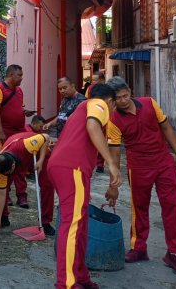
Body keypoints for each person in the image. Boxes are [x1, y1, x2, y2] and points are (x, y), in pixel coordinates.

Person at [105, 77, 176, 277]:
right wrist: (114, 184)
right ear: (113, 100)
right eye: (118, 98)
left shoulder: (149, 103)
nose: (124, 100)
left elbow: (166, 128)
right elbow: (115, 153)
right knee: (139, 208)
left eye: (126, 95)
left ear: (130, 92)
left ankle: (175, 253)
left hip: (163, 162)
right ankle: (139, 248)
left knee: (171, 207)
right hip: (138, 166)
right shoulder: (113, 121)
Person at [48, 83, 122, 289]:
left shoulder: (83, 108)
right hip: (72, 168)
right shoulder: (98, 104)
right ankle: (67, 283)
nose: (113, 111)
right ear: (110, 101)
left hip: (67, 168)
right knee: (72, 226)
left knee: (80, 225)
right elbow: (92, 126)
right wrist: (111, 165)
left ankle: (80, 276)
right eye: (115, 106)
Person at [0, 131, 55, 235]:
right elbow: (1, 194)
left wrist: (41, 161)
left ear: (13, 166)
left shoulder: (26, 145)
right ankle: (2, 217)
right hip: (18, 155)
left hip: (39, 152)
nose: (7, 176)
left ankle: (45, 222)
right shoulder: (0, 166)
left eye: (8, 173)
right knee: (0, 188)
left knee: (48, 185)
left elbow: (45, 137)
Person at [0, 64, 29, 207]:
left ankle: (22, 195)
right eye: (20, 75)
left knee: (21, 163)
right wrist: (1, 133)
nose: (21, 78)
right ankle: (6, 195)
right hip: (5, 133)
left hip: (19, 131)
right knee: (6, 164)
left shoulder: (19, 91)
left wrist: (24, 113)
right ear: (11, 75)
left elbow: (19, 108)